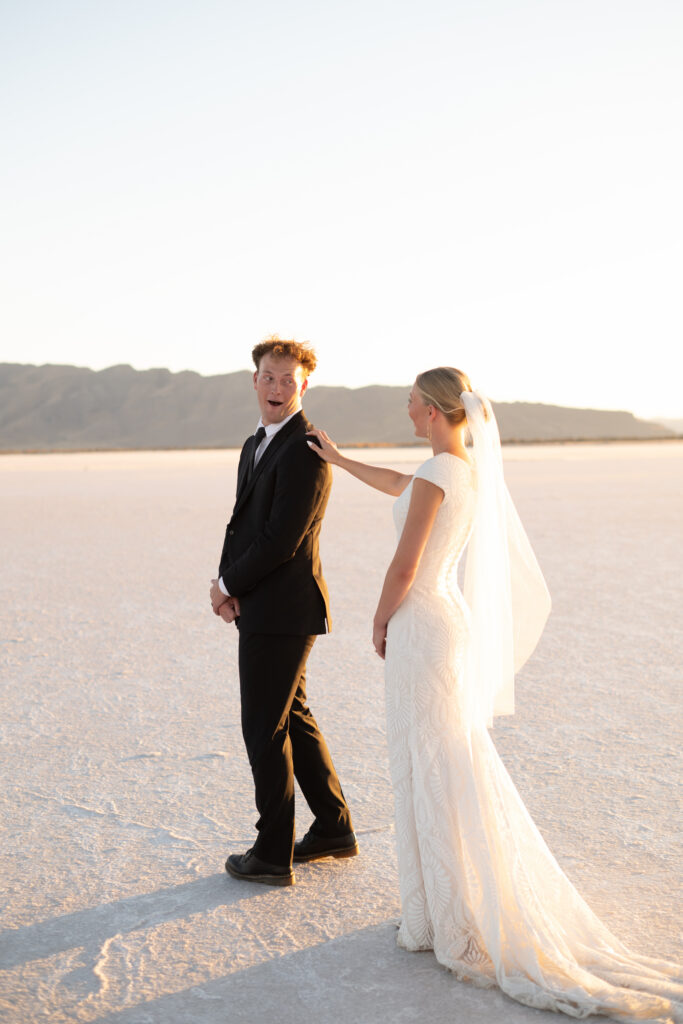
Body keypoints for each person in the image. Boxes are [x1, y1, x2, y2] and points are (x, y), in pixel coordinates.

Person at [306, 367, 682, 1022]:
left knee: (429, 762)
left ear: (431, 410)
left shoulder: (436, 475)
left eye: (411, 401)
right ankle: (437, 907)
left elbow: (405, 563)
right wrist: (338, 459)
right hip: (445, 619)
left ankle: (445, 918)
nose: (406, 408)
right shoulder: (460, 472)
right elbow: (397, 484)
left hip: (421, 624)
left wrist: (379, 619)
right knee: (444, 759)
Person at [210, 337, 357, 887]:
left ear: (304, 385)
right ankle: (334, 828)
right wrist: (228, 586)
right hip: (263, 605)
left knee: (263, 728)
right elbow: (242, 524)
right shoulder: (257, 443)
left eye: (287, 380)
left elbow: (281, 540)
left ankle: (273, 852)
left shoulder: (306, 449)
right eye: (268, 378)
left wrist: (228, 584)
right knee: (291, 715)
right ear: (255, 380)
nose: (276, 388)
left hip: (285, 610)